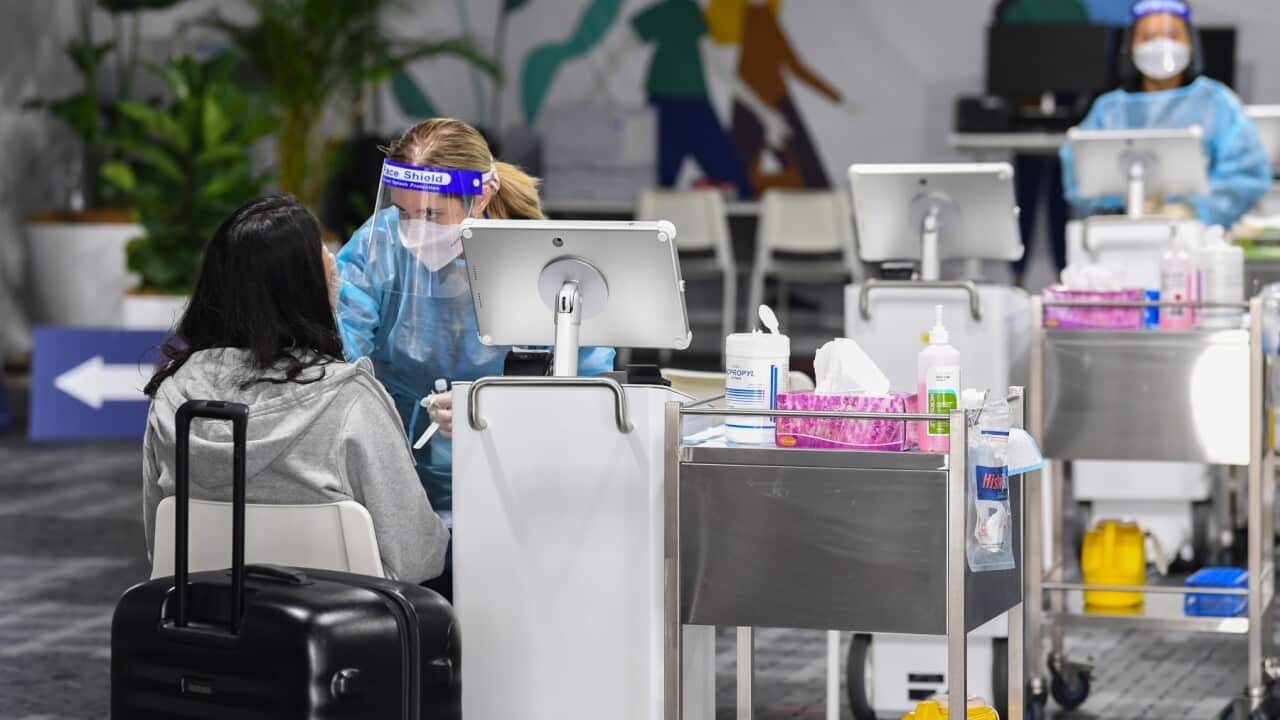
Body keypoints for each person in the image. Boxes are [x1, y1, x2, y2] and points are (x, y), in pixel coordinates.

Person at [334, 118, 616, 595]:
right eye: (404, 213)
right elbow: (340, 352)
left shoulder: (537, 261)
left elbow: (585, 393)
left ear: (480, 197)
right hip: (394, 488)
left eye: (432, 215)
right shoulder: (378, 245)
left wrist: (495, 412)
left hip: (509, 489)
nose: (413, 230)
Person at [142, 195, 448, 585]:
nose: (335, 264)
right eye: (324, 257)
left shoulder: (174, 395)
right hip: (345, 633)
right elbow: (417, 556)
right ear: (305, 288)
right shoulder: (348, 400)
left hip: (206, 625)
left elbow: (160, 544)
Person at [1061, 0, 1271, 228]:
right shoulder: (1109, 110)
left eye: (1172, 35)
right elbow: (1078, 171)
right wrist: (1126, 205)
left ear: (1191, 43)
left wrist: (1193, 211)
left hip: (1199, 240)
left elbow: (1246, 176)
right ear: (1130, 46)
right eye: (1148, 37)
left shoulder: (1217, 103)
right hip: (1122, 235)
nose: (1161, 45)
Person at [726, 0, 844, 193]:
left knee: (737, 181)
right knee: (811, 178)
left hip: (762, 101)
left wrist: (838, 99)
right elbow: (796, 68)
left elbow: (796, 68)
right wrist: (838, 99)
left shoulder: (758, 19)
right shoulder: (754, 20)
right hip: (764, 101)